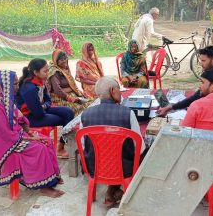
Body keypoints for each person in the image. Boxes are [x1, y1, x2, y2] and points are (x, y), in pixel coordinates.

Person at [0, 70, 64, 198]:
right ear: (4, 84)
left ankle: (51, 178)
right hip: (5, 144)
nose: (17, 87)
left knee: (46, 140)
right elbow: (3, 135)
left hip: (14, 135)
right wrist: (30, 138)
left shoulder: (4, 96)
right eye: (14, 85)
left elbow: (17, 117)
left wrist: (29, 132)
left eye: (17, 83)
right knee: (39, 148)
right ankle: (43, 186)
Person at [80, 76, 146, 206]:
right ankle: (124, 190)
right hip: (123, 169)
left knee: (110, 154)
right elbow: (140, 148)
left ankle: (111, 191)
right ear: (112, 90)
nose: (120, 93)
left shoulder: (85, 114)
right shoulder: (127, 113)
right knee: (143, 152)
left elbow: (84, 146)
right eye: (118, 90)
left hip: (94, 168)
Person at [157, 46, 213, 116]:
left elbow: (198, 96)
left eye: (203, 61)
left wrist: (171, 107)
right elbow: (199, 95)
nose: (201, 64)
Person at [16, 58, 74, 159]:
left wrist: (45, 106)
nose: (48, 73)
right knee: (66, 119)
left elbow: (48, 99)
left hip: (41, 109)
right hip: (30, 117)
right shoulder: (29, 88)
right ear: (35, 72)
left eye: (48, 70)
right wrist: (44, 106)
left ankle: (61, 145)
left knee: (69, 112)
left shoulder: (40, 81)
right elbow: (38, 114)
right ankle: (60, 148)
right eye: (45, 71)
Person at [46, 49, 92, 115]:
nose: (64, 61)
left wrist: (78, 93)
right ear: (56, 60)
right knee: (81, 107)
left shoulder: (64, 68)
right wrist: (71, 98)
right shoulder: (54, 71)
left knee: (91, 101)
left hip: (71, 94)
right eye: (62, 59)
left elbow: (72, 84)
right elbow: (57, 90)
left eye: (65, 58)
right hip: (60, 98)